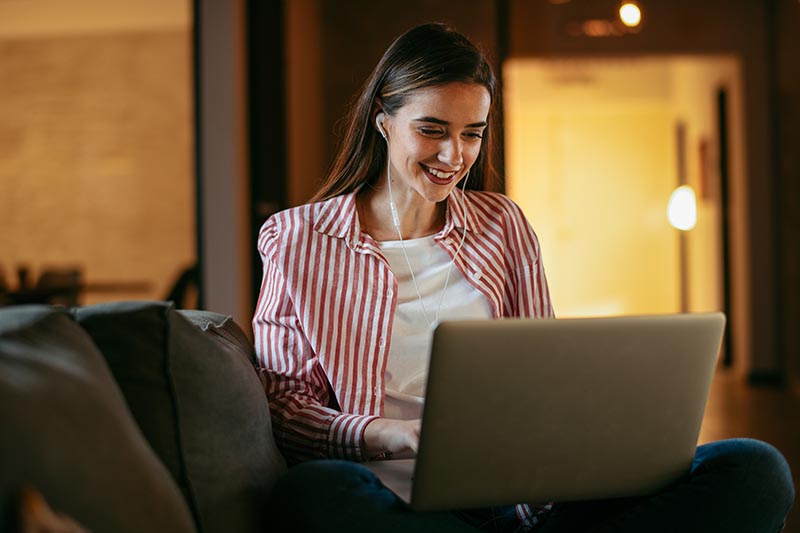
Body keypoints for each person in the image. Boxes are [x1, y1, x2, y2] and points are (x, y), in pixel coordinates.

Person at [253, 23, 794, 532]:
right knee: (314, 494)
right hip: (397, 500)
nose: (454, 155)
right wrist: (389, 434)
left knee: (754, 468)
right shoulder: (298, 239)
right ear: (382, 118)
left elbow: (546, 372)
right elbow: (285, 405)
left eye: (473, 133)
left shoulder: (502, 225)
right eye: (432, 130)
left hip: (523, 499)